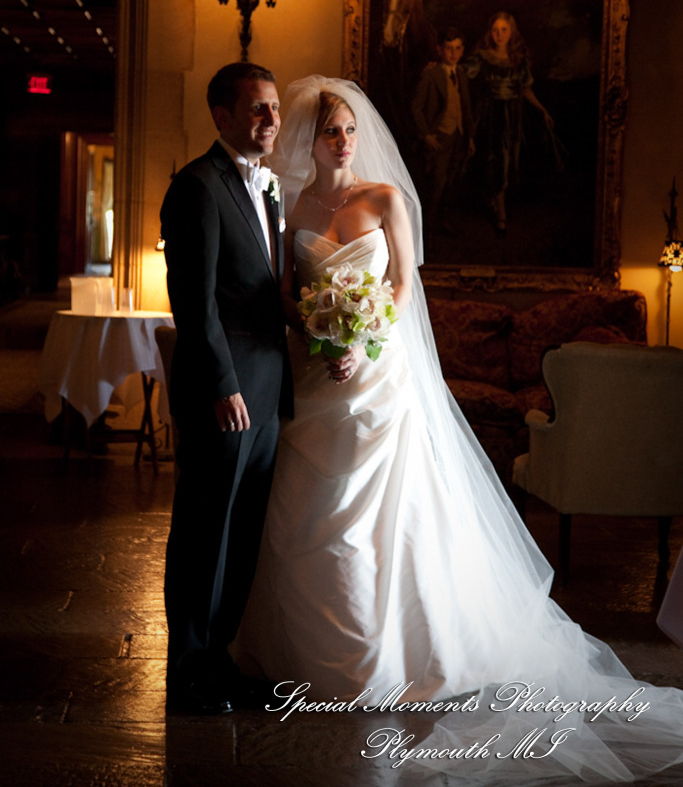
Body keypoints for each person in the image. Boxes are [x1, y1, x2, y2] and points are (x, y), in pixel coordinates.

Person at [232, 74, 683, 783]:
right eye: (329, 131)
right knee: (309, 506)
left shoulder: (383, 199)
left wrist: (362, 334)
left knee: (393, 509)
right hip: (319, 374)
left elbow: (403, 287)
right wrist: (317, 331)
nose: (342, 140)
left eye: (349, 129)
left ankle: (405, 650)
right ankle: (309, 652)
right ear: (309, 141)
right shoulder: (289, 208)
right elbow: (286, 293)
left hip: (380, 373)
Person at [161, 61, 292, 714]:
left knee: (242, 534)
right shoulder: (197, 187)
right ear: (221, 115)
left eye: (274, 108)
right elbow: (194, 300)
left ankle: (220, 661)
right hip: (227, 391)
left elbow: (267, 291)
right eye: (257, 109)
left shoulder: (268, 188)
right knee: (204, 530)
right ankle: (186, 673)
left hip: (269, 391)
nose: (271, 120)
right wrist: (222, 383)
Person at [465, 11, 554, 235]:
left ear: (511, 31)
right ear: (490, 32)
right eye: (495, 30)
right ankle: (501, 213)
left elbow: (526, 89)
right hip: (489, 115)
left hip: (512, 116)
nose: (499, 34)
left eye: (504, 29)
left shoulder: (518, 60)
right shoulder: (482, 57)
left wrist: (542, 110)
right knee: (494, 160)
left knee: (509, 159)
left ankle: (499, 202)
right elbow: (459, 72)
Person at [411, 27, 475, 231]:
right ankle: (427, 226)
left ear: (462, 50)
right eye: (448, 48)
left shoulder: (462, 74)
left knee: (451, 180)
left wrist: (470, 137)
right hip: (440, 136)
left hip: (459, 135)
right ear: (440, 50)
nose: (453, 53)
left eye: (457, 48)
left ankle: (444, 219)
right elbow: (416, 107)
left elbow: (465, 108)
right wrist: (426, 134)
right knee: (437, 183)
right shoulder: (431, 74)